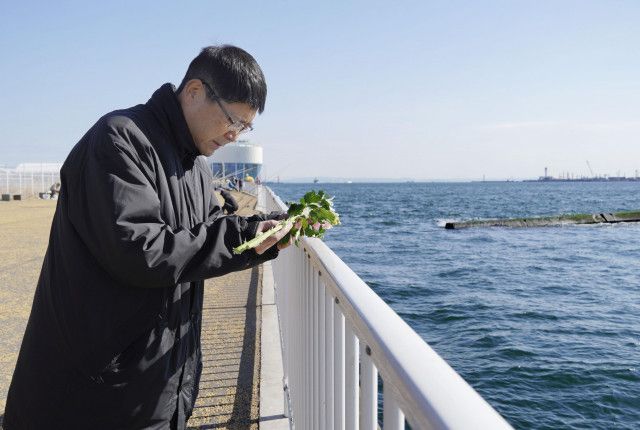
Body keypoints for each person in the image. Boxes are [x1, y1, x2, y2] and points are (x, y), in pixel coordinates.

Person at [4, 45, 292, 429]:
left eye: (244, 128)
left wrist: (265, 231)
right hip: (94, 395)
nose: (233, 134)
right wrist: (245, 235)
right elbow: (142, 251)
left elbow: (207, 234)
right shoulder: (119, 140)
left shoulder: (195, 166)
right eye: (232, 120)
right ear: (194, 91)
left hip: (154, 388)